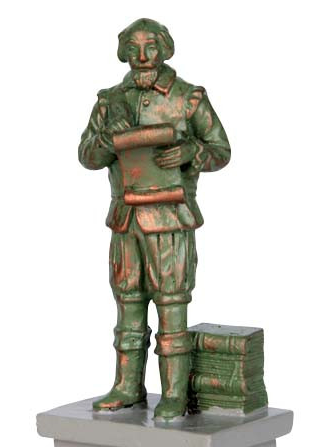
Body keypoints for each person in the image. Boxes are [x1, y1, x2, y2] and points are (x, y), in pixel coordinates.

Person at [78, 18, 230, 419]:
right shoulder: (110, 101)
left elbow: (220, 150)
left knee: (171, 304)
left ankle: (175, 393)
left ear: (165, 49)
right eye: (133, 47)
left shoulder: (187, 98)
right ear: (123, 52)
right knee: (127, 303)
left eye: (150, 47)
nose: (142, 56)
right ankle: (127, 386)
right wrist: (110, 140)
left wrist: (191, 152)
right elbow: (87, 155)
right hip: (126, 219)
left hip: (170, 219)